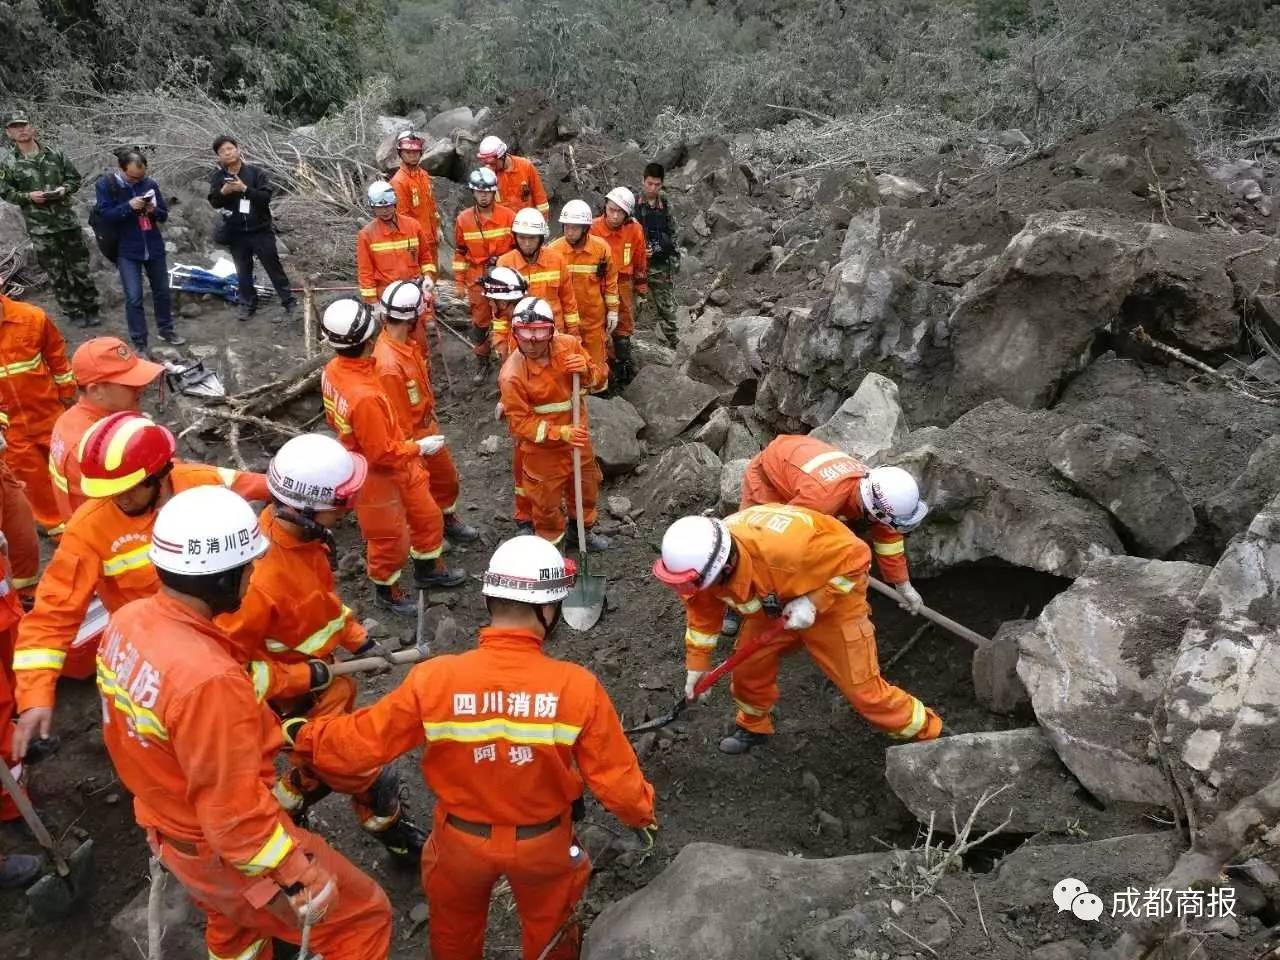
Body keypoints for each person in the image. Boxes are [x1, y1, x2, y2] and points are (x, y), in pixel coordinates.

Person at [286, 534, 657, 960]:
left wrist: (302, 734)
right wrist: (641, 814)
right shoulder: (577, 688)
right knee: (553, 932)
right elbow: (615, 778)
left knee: (453, 935)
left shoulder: (436, 679)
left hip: (459, 843)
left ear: (489, 601)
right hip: (544, 845)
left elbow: (360, 743)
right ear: (548, 609)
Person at [99, 484, 393, 960]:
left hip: (167, 827)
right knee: (362, 919)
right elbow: (233, 817)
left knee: (235, 927)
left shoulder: (130, 620)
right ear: (221, 579)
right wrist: (297, 872)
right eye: (248, 567)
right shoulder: (208, 682)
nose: (255, 574)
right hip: (221, 850)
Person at [216, 435, 428, 861]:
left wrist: (356, 638)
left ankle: (289, 804)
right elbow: (231, 670)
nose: (348, 510)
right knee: (367, 774)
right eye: (342, 502)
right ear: (308, 509)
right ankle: (396, 840)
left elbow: (321, 606)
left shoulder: (303, 544)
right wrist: (299, 679)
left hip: (322, 684)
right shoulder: (258, 582)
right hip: (294, 704)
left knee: (314, 769)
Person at [10, 412, 268, 757]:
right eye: (111, 492)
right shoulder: (91, 528)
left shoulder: (204, 483)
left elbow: (271, 487)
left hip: (232, 635)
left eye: (128, 490)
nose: (121, 500)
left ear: (160, 474)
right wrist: (34, 695)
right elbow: (52, 615)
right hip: (167, 653)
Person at [652, 507, 942, 755]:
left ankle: (930, 734)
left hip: (833, 604)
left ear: (724, 567)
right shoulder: (702, 563)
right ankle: (754, 725)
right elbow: (702, 611)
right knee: (749, 669)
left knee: (864, 691)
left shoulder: (789, 549)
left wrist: (815, 601)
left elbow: (857, 558)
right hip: (774, 605)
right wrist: (698, 665)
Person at [319, 298, 465, 617]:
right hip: (377, 472)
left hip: (394, 457)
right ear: (369, 339)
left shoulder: (334, 371)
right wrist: (418, 448)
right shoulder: (364, 396)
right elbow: (382, 453)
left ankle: (428, 570)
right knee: (389, 538)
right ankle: (387, 590)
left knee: (426, 515)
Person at [737, 436, 929, 629]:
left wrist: (902, 584)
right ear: (872, 510)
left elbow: (888, 536)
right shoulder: (820, 501)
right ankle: (742, 600)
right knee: (756, 542)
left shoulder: (874, 491)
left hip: (799, 462)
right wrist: (809, 596)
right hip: (768, 477)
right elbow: (784, 544)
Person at [497, 297, 608, 551]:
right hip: (542, 452)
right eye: (525, 333)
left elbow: (598, 379)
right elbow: (520, 425)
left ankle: (582, 532)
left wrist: (587, 370)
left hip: (578, 439)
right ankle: (552, 547)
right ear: (515, 332)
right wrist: (560, 433)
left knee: (586, 489)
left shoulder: (569, 346)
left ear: (551, 331)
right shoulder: (512, 375)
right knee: (545, 505)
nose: (533, 341)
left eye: (540, 332)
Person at [375, 281, 480, 545]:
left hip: (426, 425)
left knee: (446, 480)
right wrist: (416, 448)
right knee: (417, 492)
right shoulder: (388, 364)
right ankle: (427, 537)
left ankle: (447, 521)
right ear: (411, 316)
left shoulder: (407, 345)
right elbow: (398, 419)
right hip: (411, 438)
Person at [0, 112, 100, 328]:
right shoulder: (8, 162)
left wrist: (65, 189)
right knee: (56, 271)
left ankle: (91, 307)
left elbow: (74, 179)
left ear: (32, 127)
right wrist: (28, 197)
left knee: (80, 266)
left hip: (67, 222)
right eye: (15, 127)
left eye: (24, 125)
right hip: (40, 227)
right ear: (9, 133)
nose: (21, 130)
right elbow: (4, 191)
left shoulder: (55, 154)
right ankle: (72, 311)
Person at [49, 336, 164, 523]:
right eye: (129, 383)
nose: (141, 388)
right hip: (110, 534)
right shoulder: (96, 446)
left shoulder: (71, 419)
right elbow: (145, 495)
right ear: (95, 391)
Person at [95, 147, 185, 354]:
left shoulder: (150, 184)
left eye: (140, 176)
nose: (137, 181)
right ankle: (140, 341)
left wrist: (154, 210)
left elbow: (163, 216)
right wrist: (128, 206)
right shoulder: (106, 185)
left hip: (153, 245)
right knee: (134, 297)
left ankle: (166, 329)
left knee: (162, 291)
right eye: (132, 177)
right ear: (121, 168)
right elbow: (106, 215)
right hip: (126, 249)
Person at [0, 290, 75, 534]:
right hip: (11, 428)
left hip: (48, 413)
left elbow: (56, 356)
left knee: (69, 465)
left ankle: (87, 514)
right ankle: (58, 529)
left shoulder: (33, 318)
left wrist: (66, 392)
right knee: (32, 479)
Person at [207, 135, 297, 323]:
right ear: (219, 157)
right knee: (243, 270)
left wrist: (244, 189)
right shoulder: (218, 177)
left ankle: (289, 302)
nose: (227, 153)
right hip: (236, 233)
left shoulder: (256, 173)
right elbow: (214, 202)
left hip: (260, 230)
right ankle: (248, 304)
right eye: (222, 151)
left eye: (230, 148)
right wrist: (224, 192)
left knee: (273, 266)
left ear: (238, 150)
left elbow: (265, 198)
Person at [547, 199, 617, 394]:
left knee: (597, 368)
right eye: (567, 227)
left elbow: (610, 281)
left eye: (575, 228)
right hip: (566, 324)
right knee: (569, 366)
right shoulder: (554, 251)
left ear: (585, 228)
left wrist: (613, 311)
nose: (569, 232)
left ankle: (601, 401)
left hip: (594, 320)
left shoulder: (601, 250)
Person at [452, 168, 516, 381]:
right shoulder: (464, 219)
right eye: (479, 191)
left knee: (508, 320)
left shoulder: (509, 217)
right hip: (477, 280)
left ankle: (512, 363)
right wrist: (459, 283)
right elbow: (460, 252)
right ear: (473, 192)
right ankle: (483, 362)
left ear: (494, 192)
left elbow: (519, 249)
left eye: (487, 191)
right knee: (479, 324)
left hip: (505, 280)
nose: (483, 195)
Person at [493, 208, 579, 361]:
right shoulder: (505, 264)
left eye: (532, 238)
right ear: (515, 237)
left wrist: (574, 334)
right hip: (520, 339)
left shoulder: (557, 260)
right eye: (522, 238)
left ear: (541, 238)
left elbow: (569, 302)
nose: (526, 244)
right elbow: (500, 309)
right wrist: (500, 341)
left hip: (554, 337)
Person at [590, 188, 647, 388]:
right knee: (596, 324)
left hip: (623, 282)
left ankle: (622, 367)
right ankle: (601, 368)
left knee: (623, 327)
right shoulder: (592, 228)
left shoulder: (634, 229)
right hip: (598, 283)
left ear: (627, 214)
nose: (614, 215)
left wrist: (641, 290)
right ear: (605, 206)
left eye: (619, 212)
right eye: (611, 209)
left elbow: (640, 260)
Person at [357, 179, 435, 309]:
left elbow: (425, 257)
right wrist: (373, 303)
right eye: (380, 207)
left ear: (394, 204)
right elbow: (366, 273)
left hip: (415, 290)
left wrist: (428, 277)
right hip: (387, 295)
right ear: (373, 208)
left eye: (387, 206)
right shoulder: (366, 235)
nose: (384, 211)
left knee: (427, 326)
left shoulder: (413, 226)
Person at [635, 162, 680, 346]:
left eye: (657, 184)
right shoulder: (633, 203)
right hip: (637, 265)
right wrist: (639, 251)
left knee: (667, 307)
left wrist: (673, 258)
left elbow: (673, 231)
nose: (652, 188)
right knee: (637, 306)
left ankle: (675, 345)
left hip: (661, 264)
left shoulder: (666, 202)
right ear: (643, 181)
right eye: (649, 183)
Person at [390, 130, 440, 251]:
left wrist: (438, 228)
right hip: (416, 242)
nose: (412, 155)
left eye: (415, 152)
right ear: (400, 153)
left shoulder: (424, 175)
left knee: (433, 269)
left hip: (432, 238)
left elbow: (432, 205)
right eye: (408, 152)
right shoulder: (398, 182)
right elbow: (402, 217)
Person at [476, 135, 549, 217]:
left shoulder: (525, 167)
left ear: (502, 156)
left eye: (493, 164)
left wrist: (543, 224)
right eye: (486, 163)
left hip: (527, 224)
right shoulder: (487, 176)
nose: (489, 167)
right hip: (504, 226)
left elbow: (541, 200)